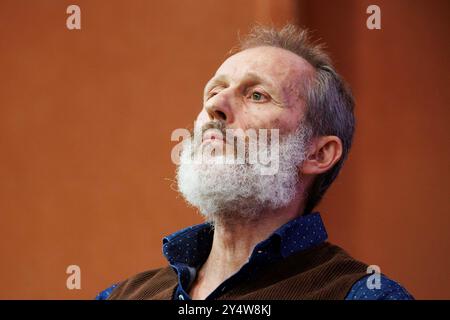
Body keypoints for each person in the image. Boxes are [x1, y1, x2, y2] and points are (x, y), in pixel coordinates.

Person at [96, 24, 413, 300]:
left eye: (257, 95)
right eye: (214, 91)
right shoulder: (120, 295)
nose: (215, 105)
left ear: (318, 154)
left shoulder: (365, 295)